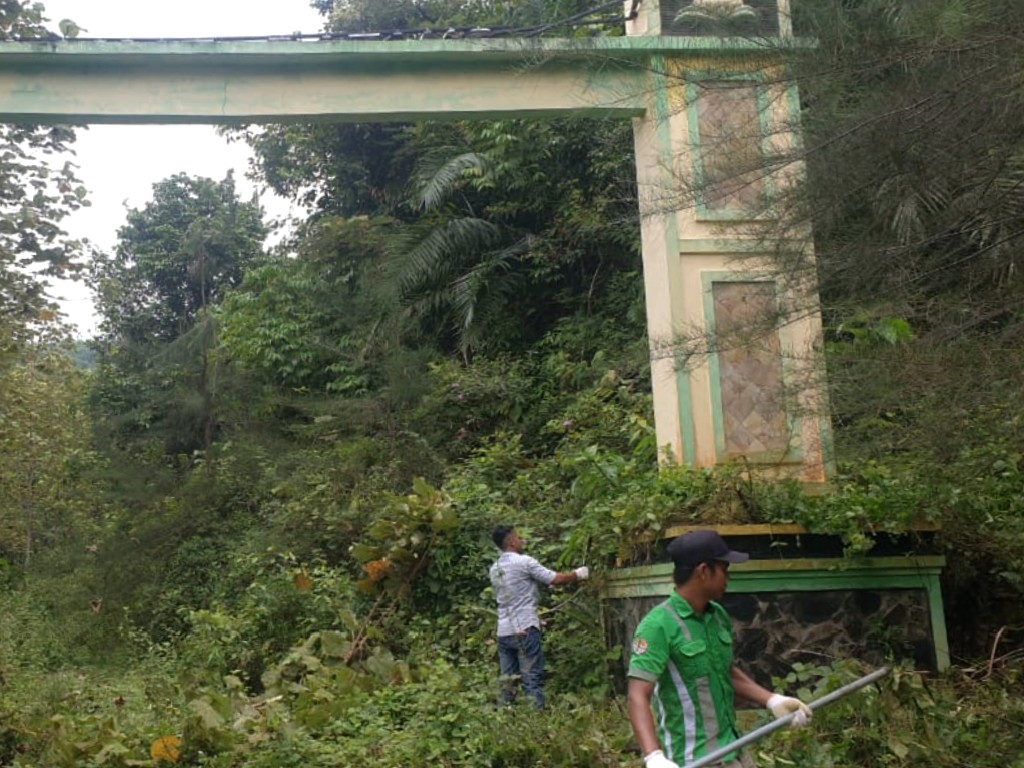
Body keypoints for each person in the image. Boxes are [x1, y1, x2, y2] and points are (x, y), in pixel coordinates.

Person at [627, 530, 812, 768]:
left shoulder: (717, 615)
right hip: (695, 759)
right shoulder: (658, 626)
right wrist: (654, 756)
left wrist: (772, 700)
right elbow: (637, 695)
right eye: (724, 570)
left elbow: (725, 670)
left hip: (733, 749)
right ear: (704, 571)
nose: (728, 578)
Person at [489, 524, 589, 709]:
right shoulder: (524, 562)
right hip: (525, 627)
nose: (522, 541)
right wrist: (578, 574)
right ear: (511, 541)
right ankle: (537, 721)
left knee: (507, 681)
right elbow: (556, 579)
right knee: (531, 678)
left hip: (504, 631)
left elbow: (516, 590)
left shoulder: (494, 568)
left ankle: (505, 719)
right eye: (519, 537)